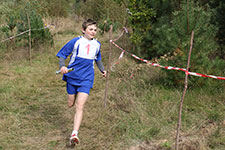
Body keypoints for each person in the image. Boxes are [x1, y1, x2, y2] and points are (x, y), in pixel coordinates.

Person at [56, 19, 106, 146]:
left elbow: (98, 59)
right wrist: (62, 66)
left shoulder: (97, 44)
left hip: (87, 78)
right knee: (70, 103)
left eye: (95, 30)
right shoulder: (76, 41)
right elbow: (62, 54)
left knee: (80, 105)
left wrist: (102, 70)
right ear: (84, 30)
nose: (93, 32)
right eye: (90, 29)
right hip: (72, 76)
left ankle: (74, 134)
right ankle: (73, 96)